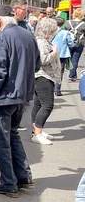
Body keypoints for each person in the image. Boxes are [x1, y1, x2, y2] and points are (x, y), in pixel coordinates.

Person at [0, 5, 40, 198]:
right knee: (13, 135)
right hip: (22, 95)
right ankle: (24, 177)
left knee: (1, 141)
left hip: (4, 98)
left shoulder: (0, 39)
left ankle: (8, 182)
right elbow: (37, 64)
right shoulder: (27, 35)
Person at [31, 17, 61, 145]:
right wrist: (54, 53)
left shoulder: (41, 40)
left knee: (38, 104)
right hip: (43, 76)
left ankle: (37, 131)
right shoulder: (41, 42)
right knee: (47, 105)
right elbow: (43, 60)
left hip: (41, 76)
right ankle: (37, 133)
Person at [52, 16, 73, 96]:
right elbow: (71, 44)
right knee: (60, 72)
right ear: (63, 23)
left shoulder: (51, 31)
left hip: (52, 53)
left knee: (52, 70)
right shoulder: (65, 32)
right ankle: (57, 90)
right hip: (62, 54)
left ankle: (51, 87)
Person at [66, 8, 85, 83]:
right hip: (79, 44)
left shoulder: (68, 22)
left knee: (69, 59)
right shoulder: (83, 24)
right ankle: (72, 76)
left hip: (69, 43)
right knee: (75, 59)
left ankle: (73, 74)